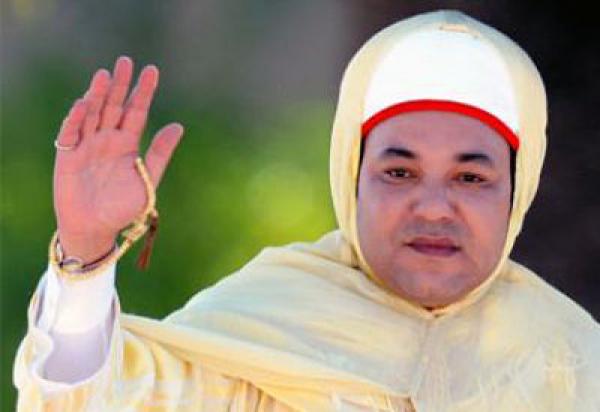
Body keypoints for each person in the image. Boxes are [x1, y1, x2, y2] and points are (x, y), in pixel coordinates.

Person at [13, 9, 600, 412]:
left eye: (470, 178)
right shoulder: (260, 332)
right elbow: (94, 401)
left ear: (516, 193)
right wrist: (86, 248)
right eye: (399, 173)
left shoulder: (571, 363)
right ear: (352, 179)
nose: (432, 208)